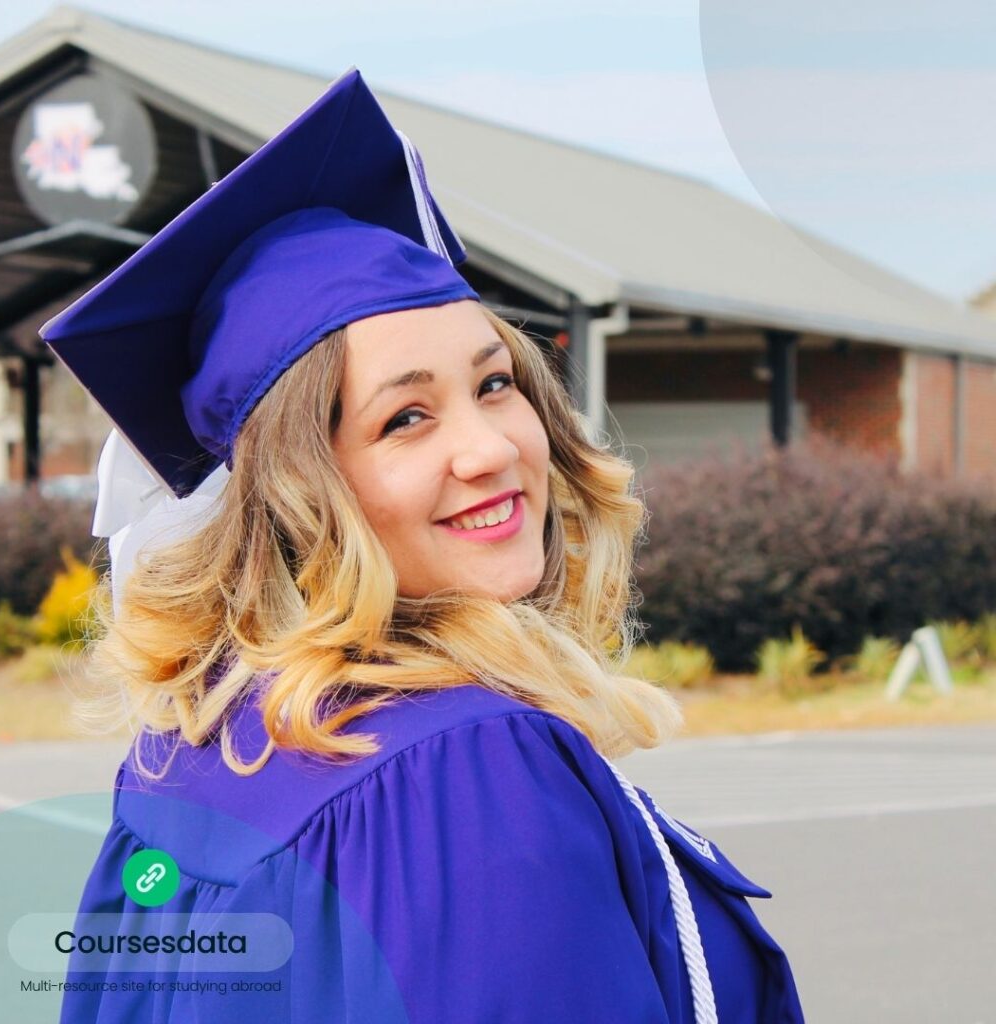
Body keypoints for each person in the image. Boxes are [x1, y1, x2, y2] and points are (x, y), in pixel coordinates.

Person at [45, 68, 805, 1022]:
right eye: (405, 418)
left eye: (494, 385)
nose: (489, 448)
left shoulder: (192, 754)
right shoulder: (466, 769)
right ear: (292, 494)